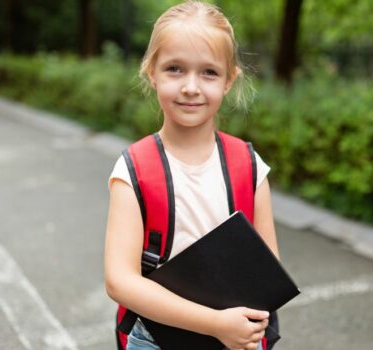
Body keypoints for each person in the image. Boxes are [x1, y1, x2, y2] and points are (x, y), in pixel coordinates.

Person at [103, 1, 280, 350]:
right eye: (175, 69)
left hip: (236, 336)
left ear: (230, 80)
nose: (191, 87)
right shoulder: (133, 170)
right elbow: (119, 281)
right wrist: (214, 323)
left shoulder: (249, 166)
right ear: (151, 72)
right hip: (156, 340)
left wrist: (234, 327)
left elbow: (268, 269)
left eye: (209, 72)